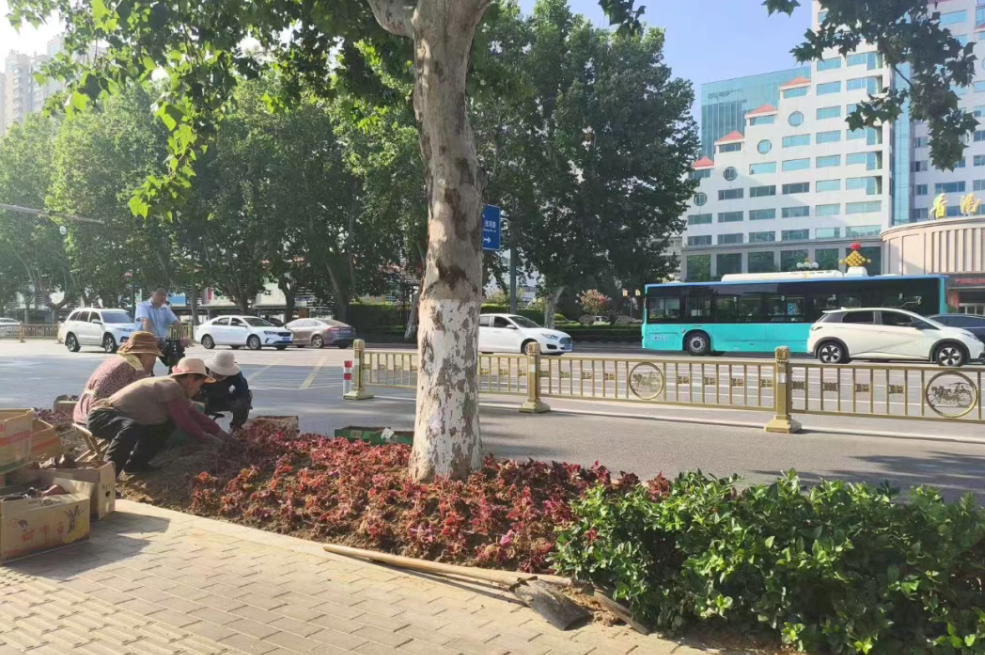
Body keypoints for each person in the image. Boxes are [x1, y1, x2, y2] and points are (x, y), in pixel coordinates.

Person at [87, 358, 233, 476]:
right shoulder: (171, 386)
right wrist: (213, 441)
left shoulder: (177, 390)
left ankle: (135, 465)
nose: (198, 389)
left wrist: (226, 438)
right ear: (190, 377)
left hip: (116, 418)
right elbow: (186, 422)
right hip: (102, 416)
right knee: (131, 427)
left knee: (165, 424)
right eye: (199, 384)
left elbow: (199, 417)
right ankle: (107, 479)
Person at [72, 332, 162, 426]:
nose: (154, 360)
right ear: (143, 353)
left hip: (82, 410)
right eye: (153, 355)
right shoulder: (135, 366)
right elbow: (146, 395)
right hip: (96, 415)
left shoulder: (118, 358)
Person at [135, 287, 187, 369]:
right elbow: (145, 321)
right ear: (152, 294)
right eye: (159, 294)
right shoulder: (143, 306)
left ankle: (174, 371)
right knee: (148, 361)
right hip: (144, 340)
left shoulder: (166, 308)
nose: (162, 297)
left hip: (161, 341)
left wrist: (184, 336)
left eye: (164, 295)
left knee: (177, 350)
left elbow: (176, 322)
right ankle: (147, 373)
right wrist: (152, 337)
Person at [201, 351, 252, 431]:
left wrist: (241, 404)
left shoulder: (235, 374)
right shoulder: (201, 371)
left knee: (246, 397)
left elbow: (243, 390)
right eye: (218, 374)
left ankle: (236, 426)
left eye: (224, 375)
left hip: (223, 399)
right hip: (204, 400)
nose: (220, 377)